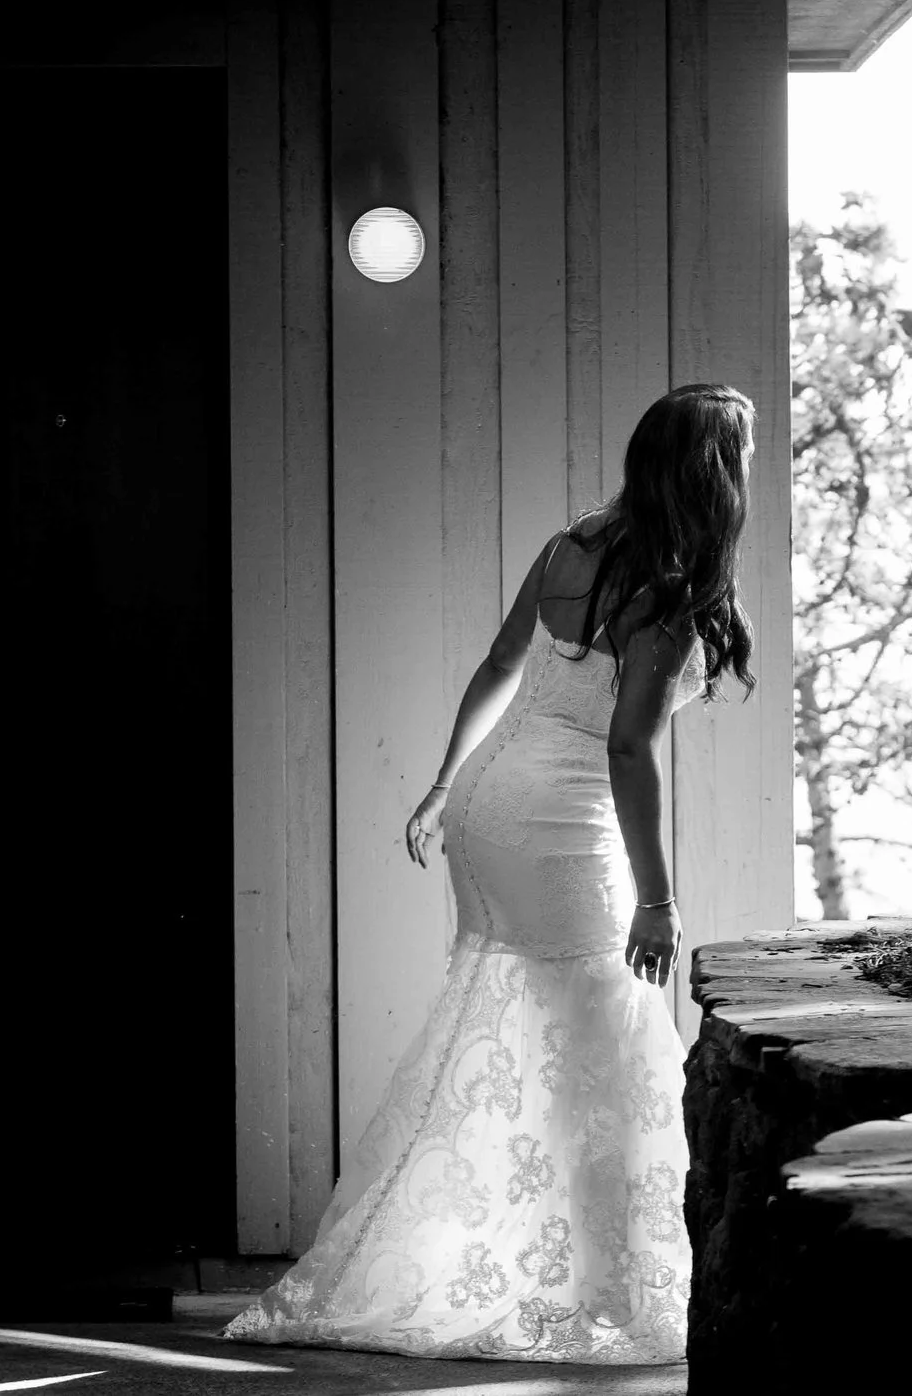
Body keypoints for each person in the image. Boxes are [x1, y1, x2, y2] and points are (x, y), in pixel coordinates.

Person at [226, 383, 757, 1364]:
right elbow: (627, 749)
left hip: (487, 803)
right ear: (716, 476)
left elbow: (500, 662)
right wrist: (656, 896)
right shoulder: (668, 594)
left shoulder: (569, 548)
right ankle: (601, 1289)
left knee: (513, 1029)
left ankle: (479, 1261)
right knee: (601, 1039)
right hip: (559, 822)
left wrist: (443, 785)